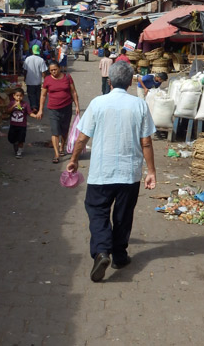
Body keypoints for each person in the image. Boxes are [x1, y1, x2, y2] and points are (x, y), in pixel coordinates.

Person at [67, 61, 156, 282]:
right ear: (130, 82)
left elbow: (82, 138)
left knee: (98, 212)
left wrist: (74, 160)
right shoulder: (139, 105)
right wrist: (151, 171)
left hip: (101, 173)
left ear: (109, 81)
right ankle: (119, 256)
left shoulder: (98, 103)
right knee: (123, 216)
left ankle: (101, 251)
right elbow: (146, 142)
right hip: (129, 174)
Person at [33, 60, 80, 164]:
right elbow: (43, 95)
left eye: (55, 69)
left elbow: (73, 91)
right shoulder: (47, 80)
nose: (53, 72)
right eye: (51, 70)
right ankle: (56, 154)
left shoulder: (67, 77)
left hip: (67, 108)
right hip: (53, 109)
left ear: (59, 68)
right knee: (55, 132)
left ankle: (62, 147)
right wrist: (40, 109)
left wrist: (77, 105)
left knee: (64, 130)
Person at [6, 88, 32, 158]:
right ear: (14, 96)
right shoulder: (11, 103)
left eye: (20, 96)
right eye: (17, 96)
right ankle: (15, 144)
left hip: (22, 125)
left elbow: (29, 113)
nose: (18, 97)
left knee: (21, 139)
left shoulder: (25, 104)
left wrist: (35, 115)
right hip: (13, 125)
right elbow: (7, 111)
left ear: (23, 96)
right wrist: (14, 106)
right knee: (11, 138)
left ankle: (19, 151)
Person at [22, 44, 47, 112]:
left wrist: (24, 78)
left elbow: (25, 70)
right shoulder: (41, 60)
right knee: (37, 95)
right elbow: (43, 72)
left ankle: (33, 107)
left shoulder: (27, 59)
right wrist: (45, 80)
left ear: (32, 51)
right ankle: (37, 107)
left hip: (29, 81)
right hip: (38, 81)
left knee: (31, 94)